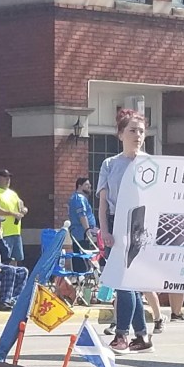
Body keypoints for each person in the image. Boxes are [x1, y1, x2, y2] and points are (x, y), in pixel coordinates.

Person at [98, 109, 153, 354]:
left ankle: (123, 334)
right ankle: (141, 335)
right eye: (132, 130)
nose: (137, 135)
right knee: (125, 281)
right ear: (120, 134)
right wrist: (104, 230)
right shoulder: (110, 164)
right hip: (115, 221)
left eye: (141, 131)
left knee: (127, 281)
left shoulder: (149, 163)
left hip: (139, 223)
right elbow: (103, 201)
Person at [0, 169, 28, 264]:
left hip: (16, 231)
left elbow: (21, 205)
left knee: (16, 258)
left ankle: (15, 276)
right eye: (5, 178)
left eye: (9, 178)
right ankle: (5, 277)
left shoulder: (13, 193)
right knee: (5, 258)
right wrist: (13, 214)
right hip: (4, 232)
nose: (8, 180)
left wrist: (24, 210)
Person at [68, 177, 98, 272]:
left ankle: (81, 274)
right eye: (86, 185)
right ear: (79, 186)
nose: (89, 186)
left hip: (79, 232)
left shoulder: (75, 198)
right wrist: (87, 230)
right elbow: (82, 215)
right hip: (82, 233)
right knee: (83, 254)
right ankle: (82, 273)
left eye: (89, 185)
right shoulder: (79, 199)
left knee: (79, 254)